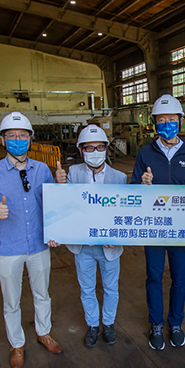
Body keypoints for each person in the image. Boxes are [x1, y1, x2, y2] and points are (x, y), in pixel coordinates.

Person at [0, 112, 62, 368]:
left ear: (30, 139)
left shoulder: (43, 169)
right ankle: (17, 344)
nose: (17, 140)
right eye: (11, 136)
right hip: (9, 248)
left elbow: (53, 204)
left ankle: (44, 332)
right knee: (11, 301)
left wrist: (61, 185)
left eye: (22, 135)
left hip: (38, 245)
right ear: (2, 140)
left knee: (42, 294)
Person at [130, 94, 185, 351]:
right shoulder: (145, 153)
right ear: (154, 124)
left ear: (180, 121)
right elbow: (132, 192)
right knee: (153, 276)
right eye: (161, 120)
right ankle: (156, 324)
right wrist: (143, 185)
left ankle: (175, 323)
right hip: (153, 228)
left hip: (181, 230)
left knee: (179, 278)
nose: (167, 124)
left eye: (171, 119)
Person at [53, 124, 127, 348]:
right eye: (89, 148)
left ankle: (109, 323)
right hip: (82, 246)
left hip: (109, 246)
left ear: (106, 148)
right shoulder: (71, 174)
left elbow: (125, 213)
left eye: (99, 147)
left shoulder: (120, 177)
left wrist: (116, 236)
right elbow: (63, 205)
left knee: (110, 288)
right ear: (81, 150)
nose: (94, 152)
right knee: (86, 288)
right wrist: (59, 185)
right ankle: (93, 325)